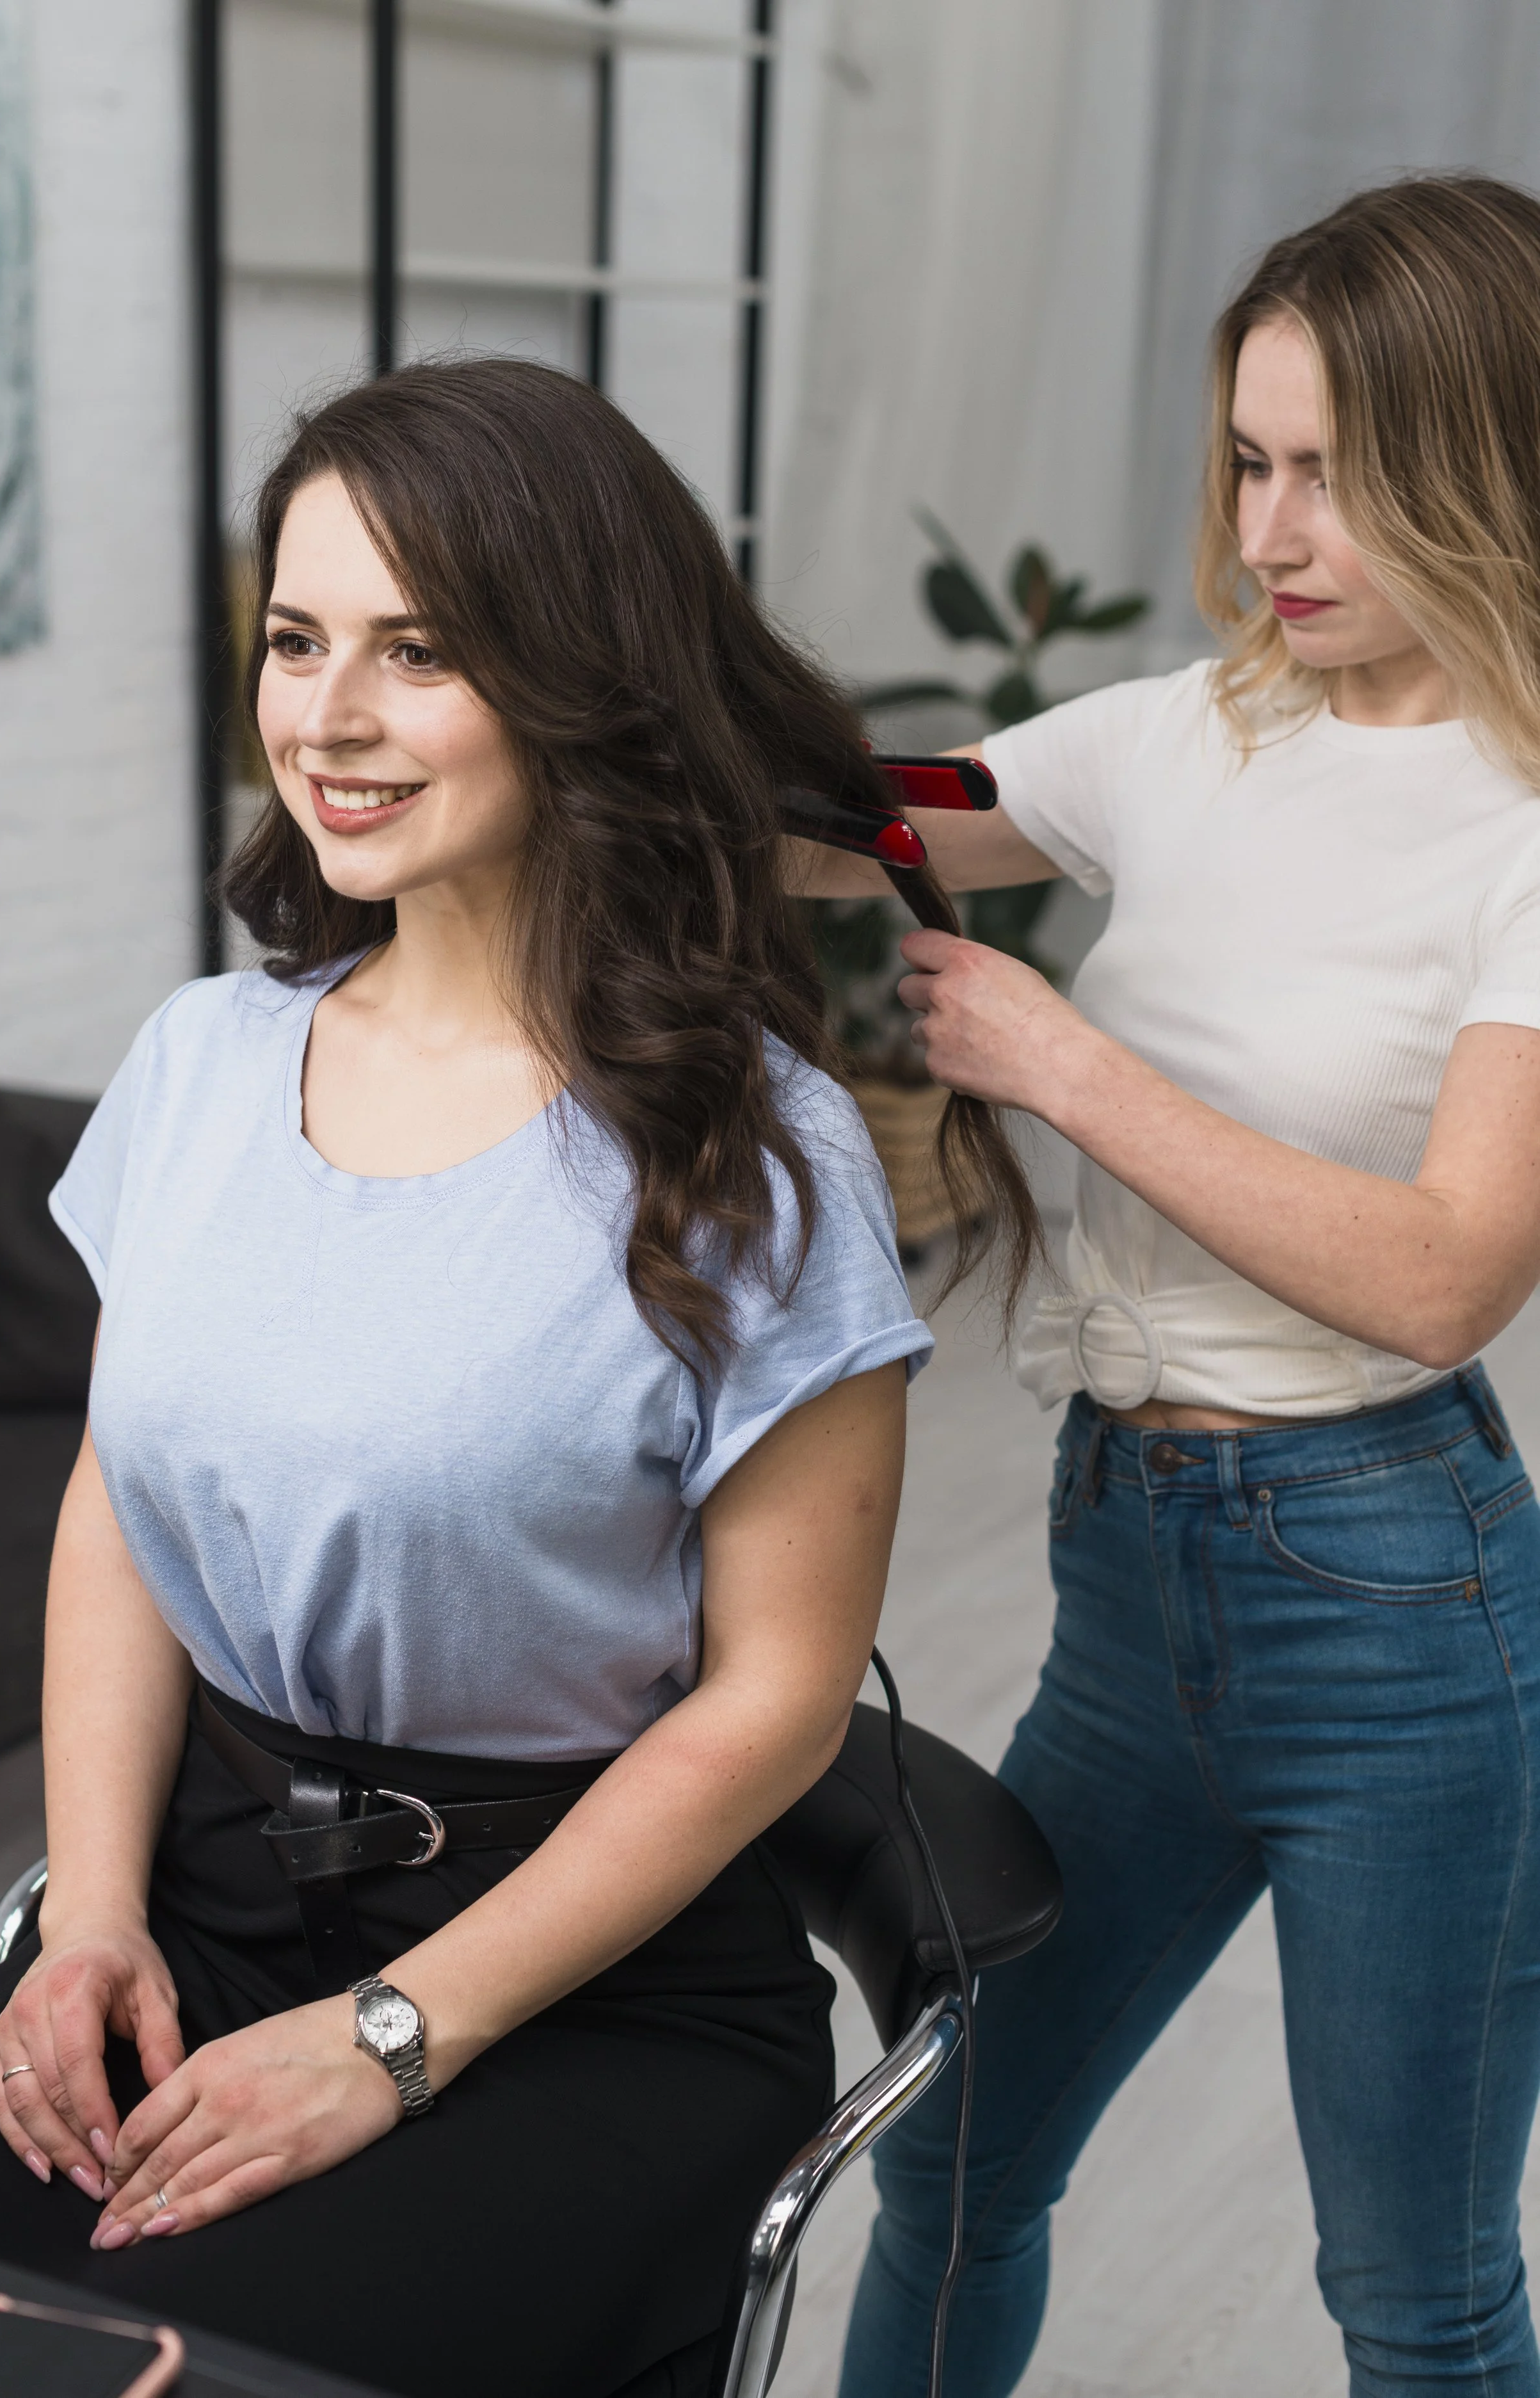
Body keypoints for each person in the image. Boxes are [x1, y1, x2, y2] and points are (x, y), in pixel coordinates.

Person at [0, 359, 1038, 2398]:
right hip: (194, 1904)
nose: (327, 720)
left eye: (418, 651)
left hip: (581, 1978)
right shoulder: (201, 1065)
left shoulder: (753, 1153)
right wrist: (88, 1915)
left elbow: (778, 1699)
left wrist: (387, 2040)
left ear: (574, 678)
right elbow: (128, 1507)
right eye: (296, 640)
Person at [819, 176, 1540, 2396]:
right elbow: (879, 809)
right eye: (1248, 460)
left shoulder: (1520, 826)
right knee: (954, 2174)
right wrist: (579, 710)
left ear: (1480, 461)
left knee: (1410, 2296)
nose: (1271, 529)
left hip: (1394, 1614)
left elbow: (1444, 1279)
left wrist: (1062, 1060)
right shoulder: (1177, 737)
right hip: (1131, 1582)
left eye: (1333, 471)